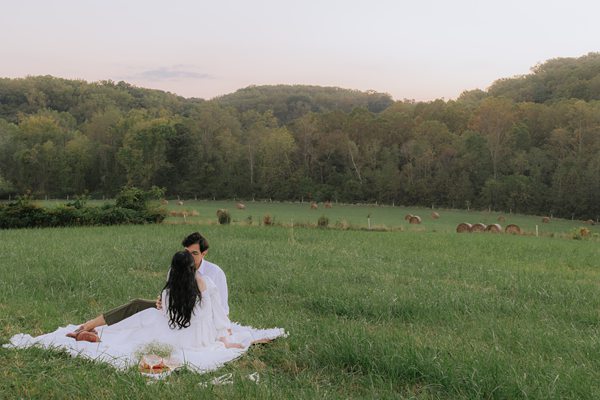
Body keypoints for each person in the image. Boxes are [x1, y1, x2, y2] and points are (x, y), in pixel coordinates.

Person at [72, 232, 228, 335]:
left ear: (204, 253)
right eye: (187, 253)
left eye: (194, 253)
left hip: (199, 320)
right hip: (174, 310)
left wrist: (221, 330)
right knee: (138, 303)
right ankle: (91, 325)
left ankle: (107, 332)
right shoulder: (176, 269)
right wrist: (162, 300)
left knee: (147, 322)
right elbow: (170, 293)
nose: (189, 257)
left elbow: (222, 308)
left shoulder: (215, 273)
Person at [90, 250, 242, 349]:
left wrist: (162, 306)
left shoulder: (168, 291)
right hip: (201, 336)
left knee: (146, 318)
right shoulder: (204, 282)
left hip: (178, 334)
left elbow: (168, 315)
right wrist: (224, 338)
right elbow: (216, 311)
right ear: (191, 267)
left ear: (173, 269)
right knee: (147, 315)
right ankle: (99, 331)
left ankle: (102, 333)